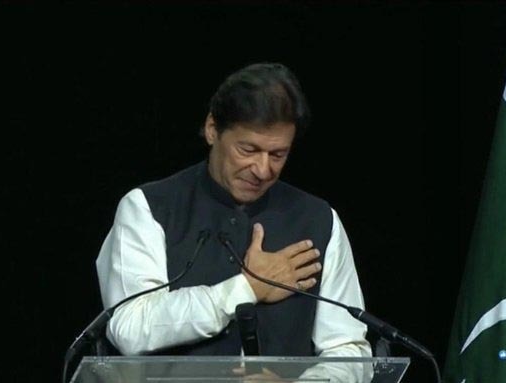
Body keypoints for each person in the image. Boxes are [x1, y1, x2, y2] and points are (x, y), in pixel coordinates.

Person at [95, 62, 372, 382]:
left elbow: (349, 349)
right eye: (249, 149)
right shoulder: (149, 208)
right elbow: (130, 328)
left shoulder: (318, 219)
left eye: (278, 154)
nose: (263, 169)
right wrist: (246, 289)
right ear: (213, 129)